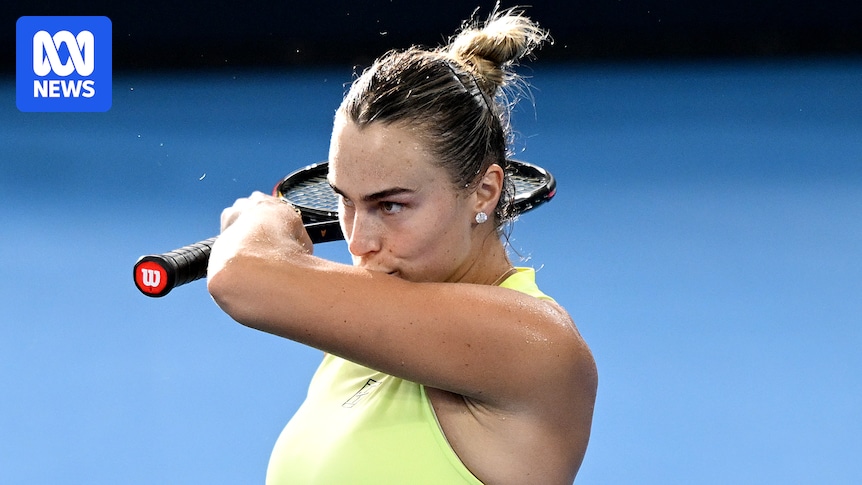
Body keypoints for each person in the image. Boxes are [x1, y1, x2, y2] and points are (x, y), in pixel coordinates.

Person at [207, 6, 597, 484]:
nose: (360, 241)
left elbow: (241, 276)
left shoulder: (536, 345)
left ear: (485, 190)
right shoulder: (367, 331)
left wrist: (262, 219)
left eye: (390, 205)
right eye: (345, 201)